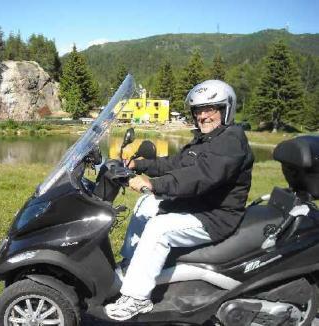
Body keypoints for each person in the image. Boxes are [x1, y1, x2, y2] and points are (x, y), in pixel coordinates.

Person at [105, 80, 254, 321]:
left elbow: (201, 176)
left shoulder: (231, 141)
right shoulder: (205, 140)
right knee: (146, 204)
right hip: (197, 206)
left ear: (226, 109)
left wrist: (153, 184)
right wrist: (138, 165)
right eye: (198, 111)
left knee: (158, 229)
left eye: (211, 109)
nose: (203, 116)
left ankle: (137, 298)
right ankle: (131, 264)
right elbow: (175, 164)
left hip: (215, 217)